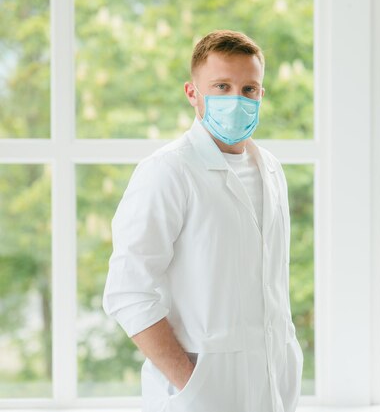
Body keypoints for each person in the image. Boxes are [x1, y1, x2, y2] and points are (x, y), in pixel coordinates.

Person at [102, 29, 303, 412]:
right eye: (222, 87)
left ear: (262, 95)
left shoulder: (272, 171)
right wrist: (191, 382)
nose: (237, 100)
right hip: (196, 395)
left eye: (249, 90)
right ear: (193, 93)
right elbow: (128, 291)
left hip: (272, 391)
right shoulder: (167, 171)